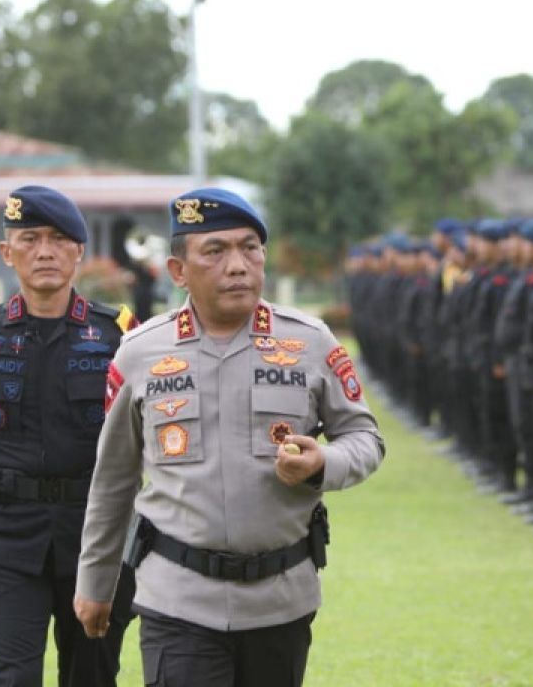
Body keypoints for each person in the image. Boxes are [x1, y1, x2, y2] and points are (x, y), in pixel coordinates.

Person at [73, 188, 385, 687]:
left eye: (249, 248)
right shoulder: (139, 353)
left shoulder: (309, 342)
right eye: (215, 252)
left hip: (280, 599)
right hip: (177, 600)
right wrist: (95, 583)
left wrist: (323, 461)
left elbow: (364, 438)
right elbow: (113, 480)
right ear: (179, 272)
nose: (238, 265)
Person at [0, 185, 138, 686]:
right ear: (8, 253)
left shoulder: (119, 334)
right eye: (29, 239)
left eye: (58, 239)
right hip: (6, 536)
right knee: (10, 679)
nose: (44, 251)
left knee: (91, 678)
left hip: (96, 535)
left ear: (79, 252)